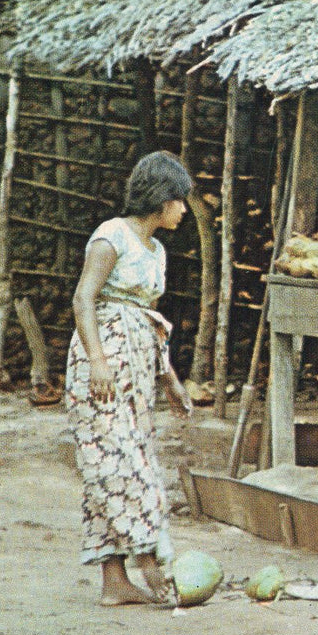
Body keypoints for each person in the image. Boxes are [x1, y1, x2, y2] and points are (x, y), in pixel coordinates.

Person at [67, 151, 194, 606]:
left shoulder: (157, 251)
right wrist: (98, 362)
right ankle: (150, 558)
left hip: (138, 364)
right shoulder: (111, 237)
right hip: (103, 363)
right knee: (117, 463)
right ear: (161, 198)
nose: (184, 210)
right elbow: (84, 299)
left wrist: (170, 379)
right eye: (180, 200)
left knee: (125, 459)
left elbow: (149, 319)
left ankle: (114, 584)